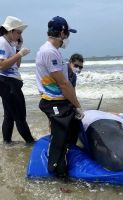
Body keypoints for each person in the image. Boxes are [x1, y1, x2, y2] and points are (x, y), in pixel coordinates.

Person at [35, 16, 84, 178]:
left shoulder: (52, 51)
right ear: (62, 33)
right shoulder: (50, 51)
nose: (68, 37)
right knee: (60, 140)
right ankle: (58, 174)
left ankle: (64, 157)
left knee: (69, 132)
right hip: (54, 102)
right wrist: (77, 105)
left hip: (57, 100)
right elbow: (63, 84)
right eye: (67, 33)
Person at [0, 16, 35, 144]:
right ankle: (30, 142)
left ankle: (7, 143)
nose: (20, 36)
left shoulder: (10, 44)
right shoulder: (2, 42)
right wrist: (19, 54)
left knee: (9, 115)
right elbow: (2, 65)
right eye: (18, 32)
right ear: (10, 31)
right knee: (20, 115)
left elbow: (16, 65)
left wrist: (18, 49)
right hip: (7, 82)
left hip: (9, 82)